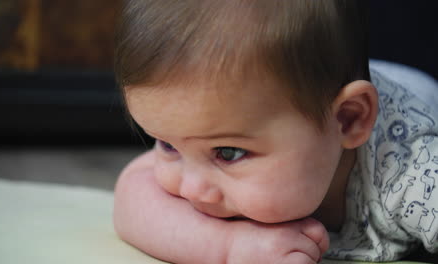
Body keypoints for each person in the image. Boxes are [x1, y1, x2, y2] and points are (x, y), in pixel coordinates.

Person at [112, 0, 438, 263]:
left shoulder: (413, 175)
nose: (191, 188)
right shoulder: (211, 132)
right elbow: (130, 197)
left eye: (228, 153)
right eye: (167, 145)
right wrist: (228, 247)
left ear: (348, 121)